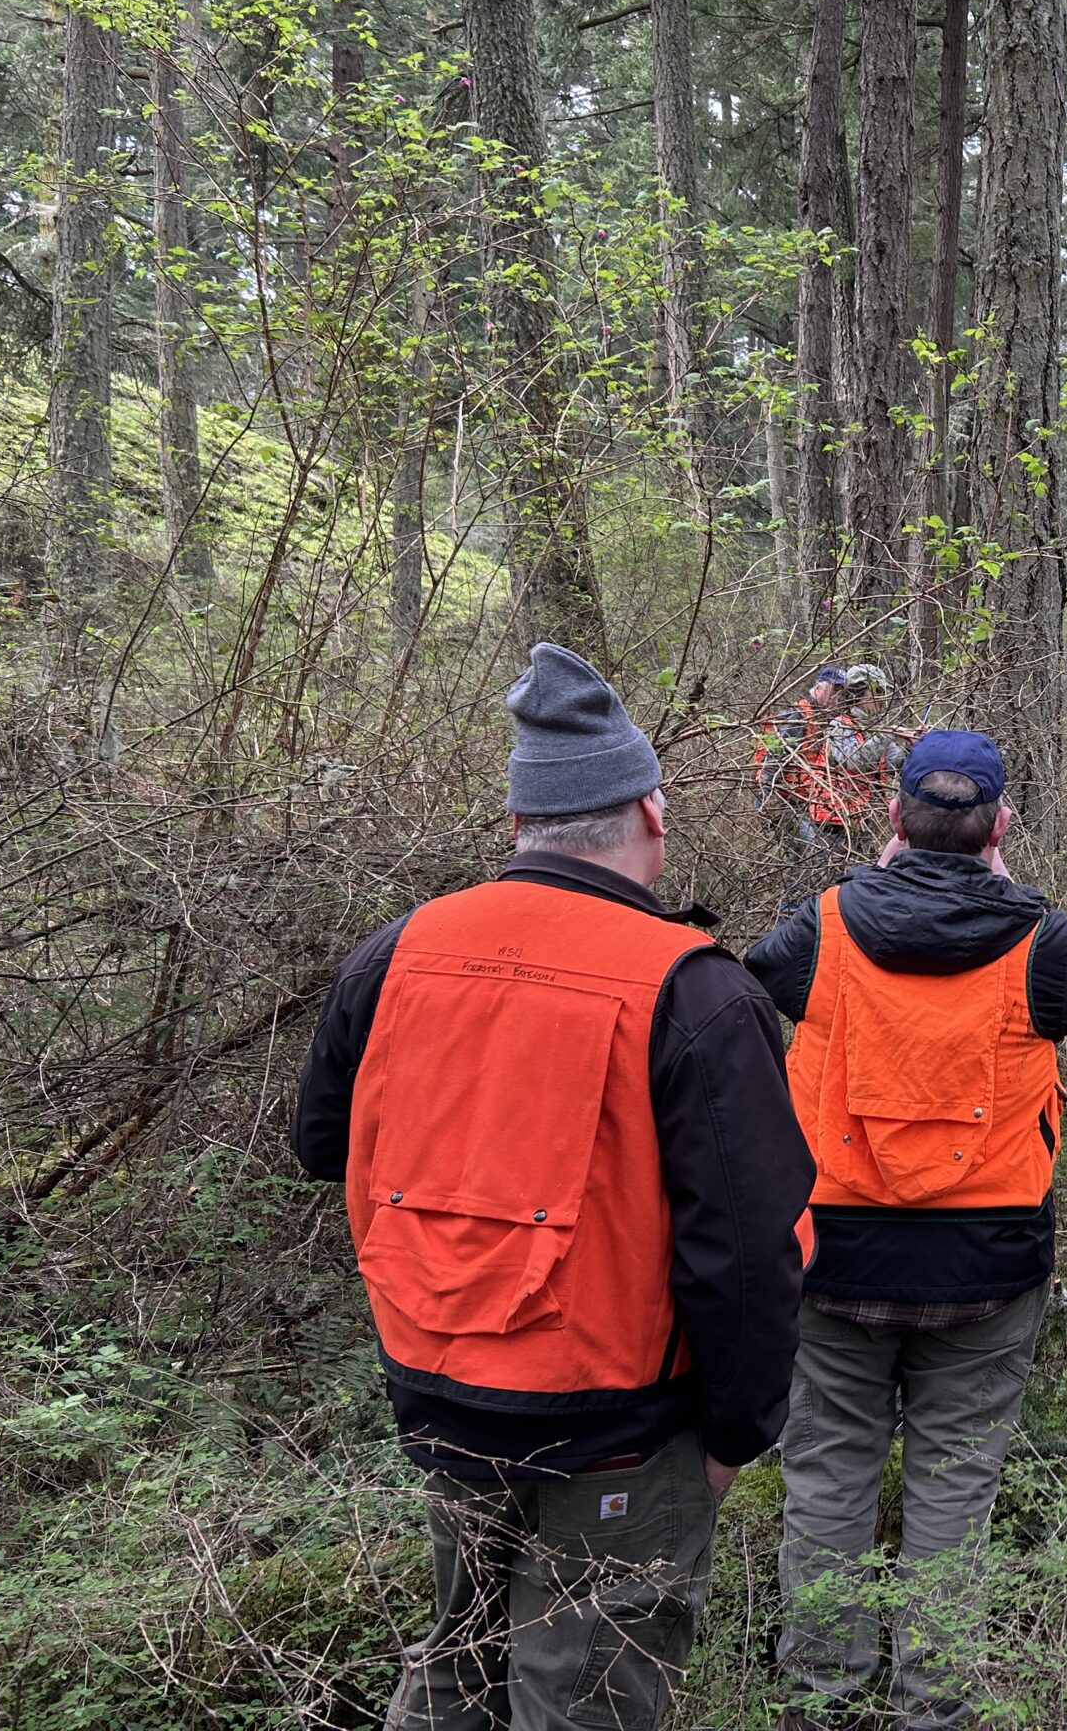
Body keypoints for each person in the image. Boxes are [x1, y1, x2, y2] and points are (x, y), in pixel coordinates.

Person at [292, 643, 816, 1731]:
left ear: (520, 824)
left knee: (455, 1663)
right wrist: (735, 1436)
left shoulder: (394, 953)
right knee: (584, 1694)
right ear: (652, 813)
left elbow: (322, 1146)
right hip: (621, 1423)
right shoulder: (696, 990)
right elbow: (750, 1248)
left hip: (434, 1394)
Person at [745, 731, 1067, 1731]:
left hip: (834, 1250)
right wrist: (1000, 885)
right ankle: (932, 1705)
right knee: (956, 1486)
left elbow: (758, 980)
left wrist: (879, 887)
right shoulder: (1043, 937)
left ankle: (818, 1698)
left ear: (890, 817)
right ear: (999, 827)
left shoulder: (823, 924)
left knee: (827, 1475)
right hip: (988, 1260)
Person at [759, 665, 853, 866]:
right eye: (835, 690)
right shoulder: (798, 716)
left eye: (842, 692)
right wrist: (769, 802)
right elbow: (772, 761)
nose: (839, 697)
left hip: (806, 802)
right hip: (786, 801)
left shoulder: (827, 721)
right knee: (810, 857)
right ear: (819, 688)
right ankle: (796, 896)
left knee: (807, 858)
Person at [817, 664, 907, 846]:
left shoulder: (876, 729)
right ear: (857, 693)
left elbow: (894, 764)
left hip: (865, 816)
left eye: (882, 691)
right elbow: (853, 761)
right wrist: (886, 733)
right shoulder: (839, 726)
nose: (881, 698)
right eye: (876, 691)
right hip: (836, 819)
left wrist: (912, 746)